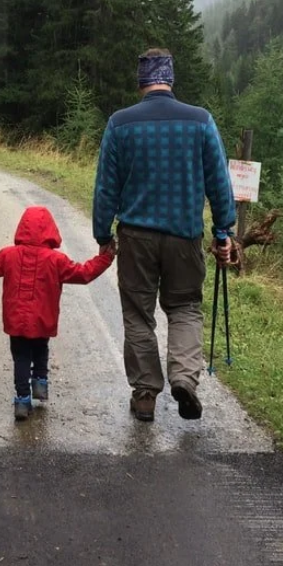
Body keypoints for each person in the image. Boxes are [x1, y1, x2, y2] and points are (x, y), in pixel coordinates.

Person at [92, 48, 236, 423]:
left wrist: (101, 232)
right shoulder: (201, 121)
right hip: (184, 236)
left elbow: (106, 187)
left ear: (141, 81)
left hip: (137, 237)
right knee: (185, 307)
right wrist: (224, 232)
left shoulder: (120, 124)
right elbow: (219, 184)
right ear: (170, 78)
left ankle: (144, 395)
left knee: (138, 315)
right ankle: (184, 379)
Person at [0, 206, 114, 421]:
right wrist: (105, 258)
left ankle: (22, 399)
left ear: (22, 229)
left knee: (21, 356)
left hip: (16, 319)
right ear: (51, 231)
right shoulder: (56, 260)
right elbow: (83, 273)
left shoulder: (9, 255)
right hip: (43, 318)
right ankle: (40, 382)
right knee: (41, 348)